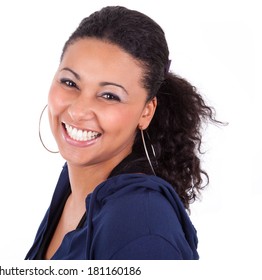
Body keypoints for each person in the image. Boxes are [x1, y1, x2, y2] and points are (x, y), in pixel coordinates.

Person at [25, 6, 220, 260]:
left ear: (146, 112)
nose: (79, 110)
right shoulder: (74, 186)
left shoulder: (140, 221)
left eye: (109, 95)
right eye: (70, 82)